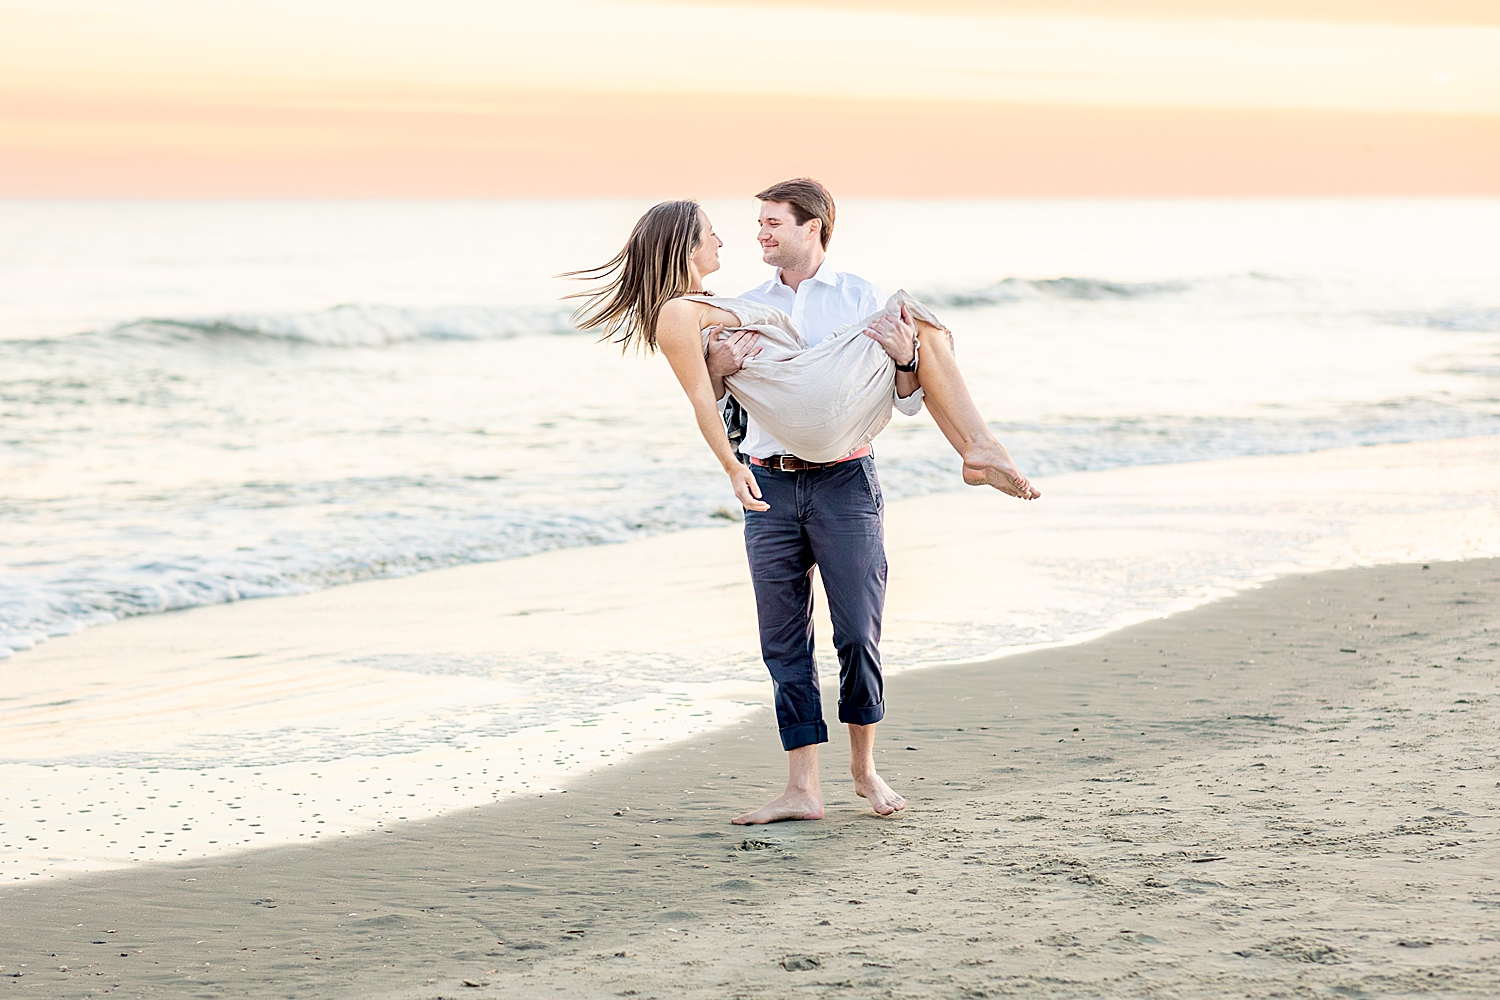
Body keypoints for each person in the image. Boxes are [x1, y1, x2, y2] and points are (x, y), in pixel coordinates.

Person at [566, 184, 1038, 825]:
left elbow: (898, 400)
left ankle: (864, 771)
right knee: (784, 644)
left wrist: (904, 363)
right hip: (772, 484)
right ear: (684, 244)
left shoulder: (856, 297)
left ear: (812, 227)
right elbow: (709, 401)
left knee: (857, 635)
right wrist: (722, 398)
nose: (745, 236)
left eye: (769, 223)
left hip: (847, 481)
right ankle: (802, 789)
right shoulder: (719, 308)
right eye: (730, 228)